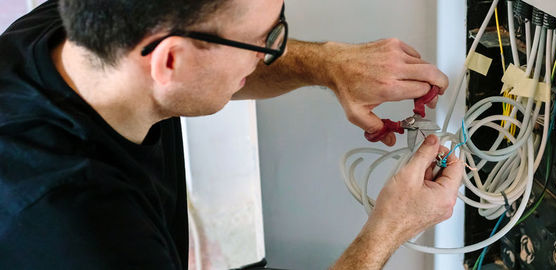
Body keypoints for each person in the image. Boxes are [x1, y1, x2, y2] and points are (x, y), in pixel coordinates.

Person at [0, 0, 464, 269]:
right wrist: (390, 230)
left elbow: (210, 72)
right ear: (170, 61)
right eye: (265, 39)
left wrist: (329, 64)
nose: (269, 55)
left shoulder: (85, 31)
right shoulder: (80, 231)